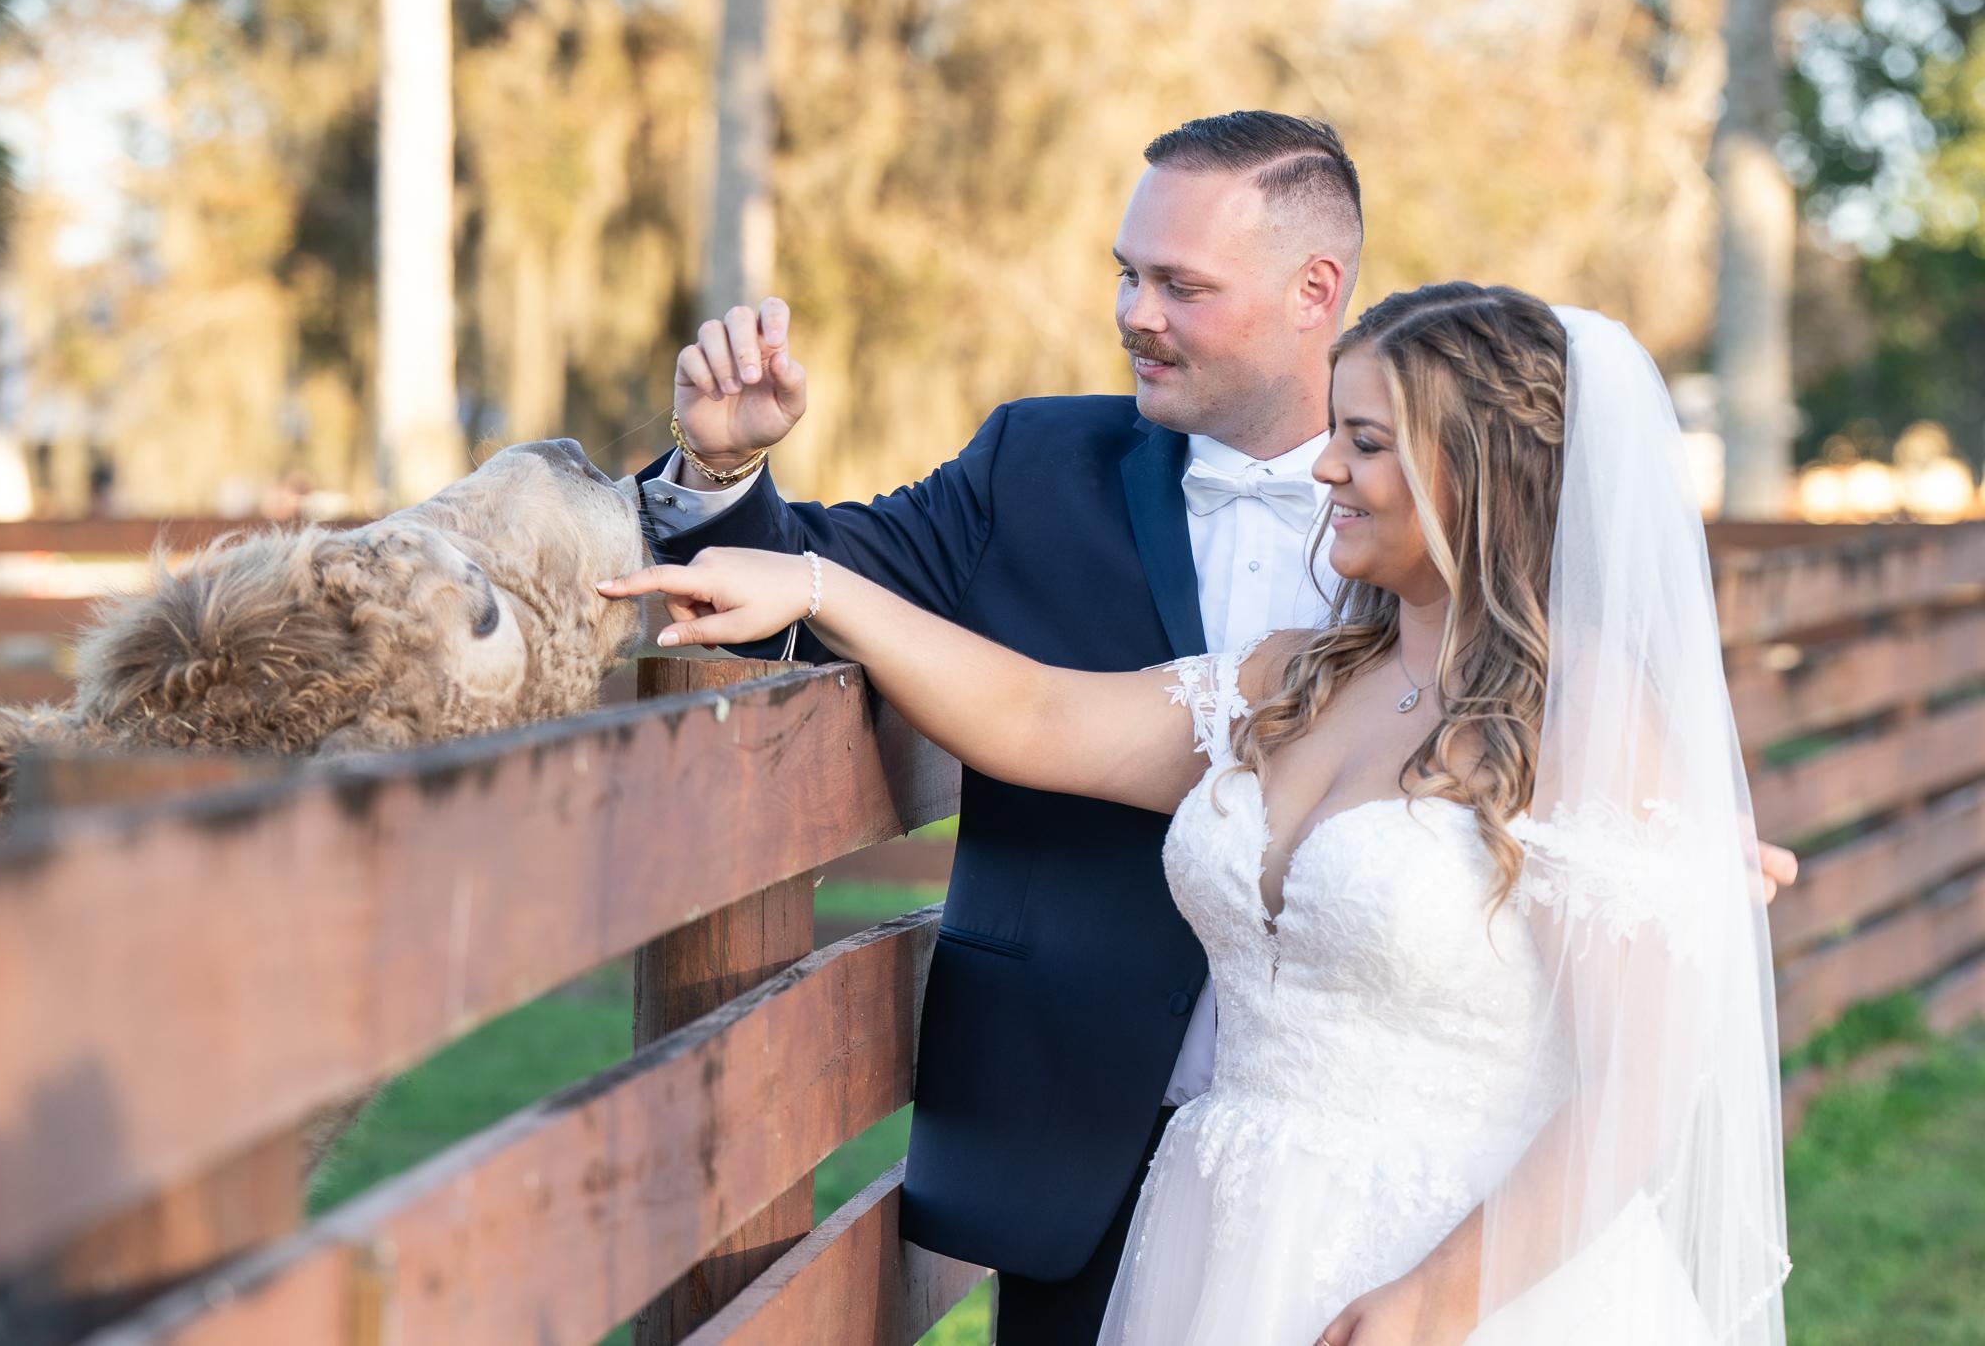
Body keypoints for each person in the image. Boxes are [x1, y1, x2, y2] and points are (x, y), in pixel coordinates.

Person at [602, 283, 1792, 1344]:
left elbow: (1640, 1082)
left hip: (1461, 1269)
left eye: (1365, 443)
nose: (1324, 470)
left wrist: (1438, 1300)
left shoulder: (1587, 720)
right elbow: (1034, 716)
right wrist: (815, 584)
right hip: (1221, 1235)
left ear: (1476, 473)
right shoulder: (1293, 677)